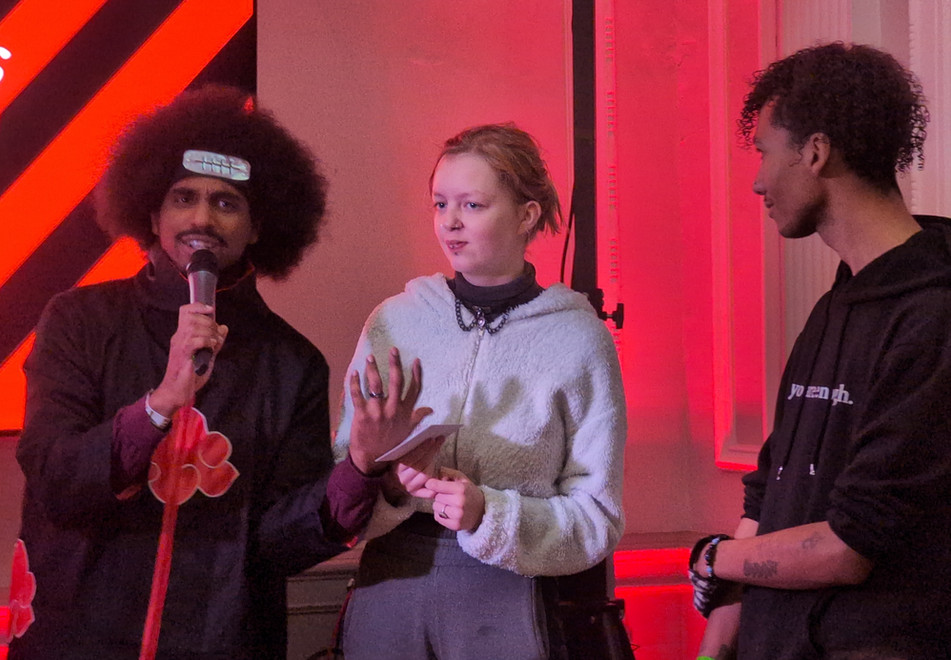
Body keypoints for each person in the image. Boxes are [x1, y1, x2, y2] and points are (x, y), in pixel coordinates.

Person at [10, 85, 417, 659]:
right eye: (184, 197)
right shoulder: (78, 320)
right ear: (152, 212)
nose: (202, 218)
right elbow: (55, 477)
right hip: (77, 636)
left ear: (258, 226)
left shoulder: (292, 363)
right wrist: (158, 406)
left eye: (227, 203)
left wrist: (360, 469)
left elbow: (278, 543)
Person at [692, 42, 951, 659]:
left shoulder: (932, 317)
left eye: (764, 153)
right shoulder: (832, 308)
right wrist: (713, 648)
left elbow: (849, 547)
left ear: (815, 152)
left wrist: (713, 558)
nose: (757, 181)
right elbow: (769, 494)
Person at [333, 123, 627, 659]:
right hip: (387, 578)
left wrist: (489, 514)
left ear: (526, 215)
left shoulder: (578, 338)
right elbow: (342, 467)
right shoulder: (396, 320)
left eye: (472, 205)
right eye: (440, 203)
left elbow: (595, 516)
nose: (450, 222)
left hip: (505, 587)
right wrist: (390, 483)